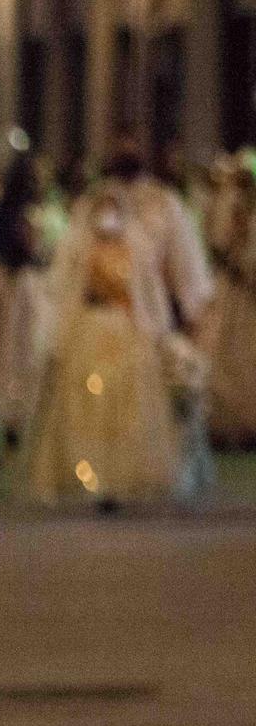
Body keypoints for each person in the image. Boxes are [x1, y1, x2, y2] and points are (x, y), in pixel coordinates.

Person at [20, 184, 187, 508]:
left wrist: (158, 333)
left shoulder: (135, 247)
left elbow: (148, 293)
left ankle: (122, 476)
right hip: (89, 330)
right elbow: (65, 291)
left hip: (125, 331)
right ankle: (91, 474)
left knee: (126, 403)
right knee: (88, 401)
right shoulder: (81, 249)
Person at [105, 135, 217, 496]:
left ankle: (170, 467)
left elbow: (184, 259)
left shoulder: (164, 202)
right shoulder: (100, 202)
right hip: (111, 313)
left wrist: (190, 308)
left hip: (155, 311)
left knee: (164, 389)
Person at [0, 153, 59, 447]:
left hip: (13, 285)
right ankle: (19, 416)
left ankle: (14, 416)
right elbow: (31, 251)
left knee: (13, 354)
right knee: (25, 351)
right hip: (24, 288)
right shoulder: (25, 214)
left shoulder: (5, 211)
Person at [202, 154, 256, 449]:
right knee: (226, 355)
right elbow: (219, 248)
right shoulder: (226, 214)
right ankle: (226, 425)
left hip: (248, 298)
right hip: (232, 295)